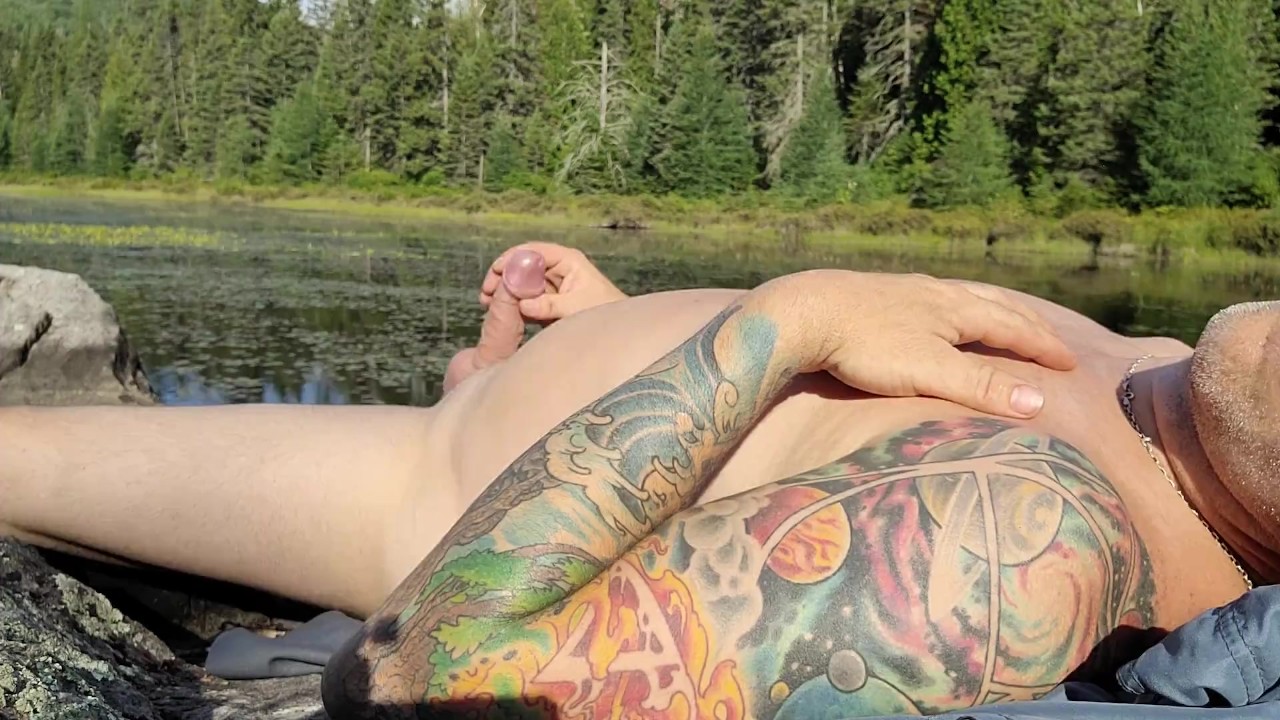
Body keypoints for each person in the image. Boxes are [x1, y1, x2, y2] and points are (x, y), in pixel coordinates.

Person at [0, 244, 1272, 720]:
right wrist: (624, 328)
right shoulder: (1194, 387)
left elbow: (427, 670)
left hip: (417, 493)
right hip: (509, 415)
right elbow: (809, 445)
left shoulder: (1024, 550)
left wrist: (779, 323)